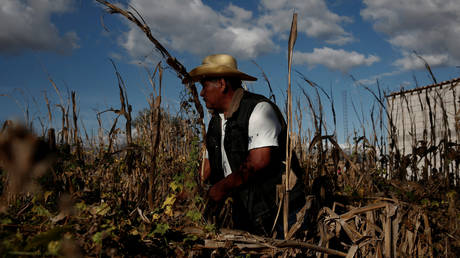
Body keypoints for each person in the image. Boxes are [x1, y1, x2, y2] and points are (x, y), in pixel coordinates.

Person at [188, 54, 305, 236]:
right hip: (247, 211)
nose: (201, 93)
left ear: (221, 84)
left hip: (279, 212)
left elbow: (258, 161)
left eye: (204, 86)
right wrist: (189, 192)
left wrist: (221, 188)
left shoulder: (259, 110)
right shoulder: (215, 123)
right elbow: (207, 165)